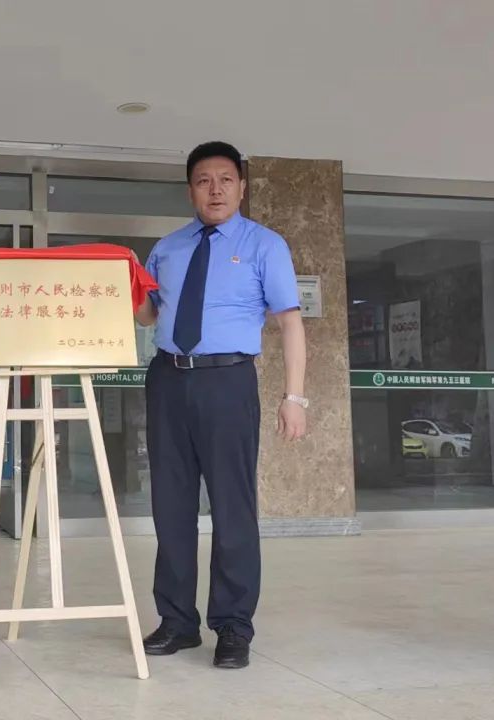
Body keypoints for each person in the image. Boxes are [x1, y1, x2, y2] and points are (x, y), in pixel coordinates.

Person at [136, 141, 308, 669]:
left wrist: (294, 396)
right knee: (171, 505)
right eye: (204, 181)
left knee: (233, 507)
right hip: (167, 378)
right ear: (190, 189)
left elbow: (290, 322)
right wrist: (121, 286)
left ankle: (233, 626)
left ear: (241, 187)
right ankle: (177, 621)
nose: (215, 190)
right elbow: (148, 315)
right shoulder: (168, 247)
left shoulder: (264, 245)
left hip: (228, 380)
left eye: (225, 180)